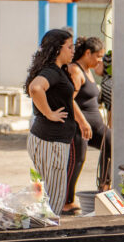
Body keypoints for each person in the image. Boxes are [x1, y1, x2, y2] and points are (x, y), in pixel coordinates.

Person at [25, 29, 91, 215]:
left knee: (47, 198)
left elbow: (66, 100)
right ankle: (46, 235)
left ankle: (44, 231)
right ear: (57, 50)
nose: (73, 51)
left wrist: (81, 121)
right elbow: (36, 88)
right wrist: (49, 113)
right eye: (69, 47)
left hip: (50, 141)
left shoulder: (59, 71)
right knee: (52, 201)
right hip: (50, 142)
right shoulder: (51, 71)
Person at [65, 38, 112, 212]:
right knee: (78, 160)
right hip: (79, 126)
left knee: (111, 142)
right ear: (87, 53)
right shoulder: (75, 71)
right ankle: (67, 201)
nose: (100, 60)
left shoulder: (89, 70)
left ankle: (104, 186)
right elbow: (68, 99)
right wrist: (83, 122)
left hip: (96, 125)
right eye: (98, 56)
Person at [97, 50, 112, 127]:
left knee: (110, 114)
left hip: (107, 86)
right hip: (112, 88)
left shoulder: (108, 56)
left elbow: (98, 71)